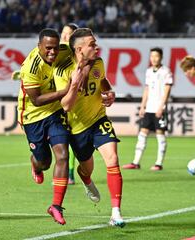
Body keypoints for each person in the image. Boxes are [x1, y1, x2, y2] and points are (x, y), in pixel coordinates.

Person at [54, 28, 125, 227]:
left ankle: (116, 212)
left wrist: (109, 92)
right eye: (92, 44)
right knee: (86, 169)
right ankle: (85, 179)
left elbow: (102, 81)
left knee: (113, 158)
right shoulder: (63, 71)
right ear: (79, 49)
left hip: (99, 119)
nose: (97, 47)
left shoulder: (99, 63)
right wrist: (75, 84)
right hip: (78, 129)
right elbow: (66, 105)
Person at [17, 28, 72, 225]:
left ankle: (56, 206)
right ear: (39, 46)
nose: (53, 52)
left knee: (63, 156)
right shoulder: (30, 67)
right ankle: (35, 164)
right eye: (48, 48)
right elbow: (37, 99)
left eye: (55, 48)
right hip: (33, 117)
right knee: (45, 162)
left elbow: (80, 53)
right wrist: (65, 91)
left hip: (55, 114)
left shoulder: (65, 51)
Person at [123, 48, 173, 171]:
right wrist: (142, 105)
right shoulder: (149, 71)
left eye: (156, 56)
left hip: (159, 108)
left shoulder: (166, 71)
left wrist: (162, 107)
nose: (154, 58)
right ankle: (135, 162)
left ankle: (159, 163)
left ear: (161, 57)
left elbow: (167, 90)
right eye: (152, 56)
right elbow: (147, 89)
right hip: (149, 108)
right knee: (142, 134)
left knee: (160, 134)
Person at [60, 22, 79, 185]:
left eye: (68, 34)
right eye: (63, 33)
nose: (64, 36)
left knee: (70, 137)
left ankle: (69, 173)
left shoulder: (77, 55)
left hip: (71, 100)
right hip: (54, 101)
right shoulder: (53, 52)